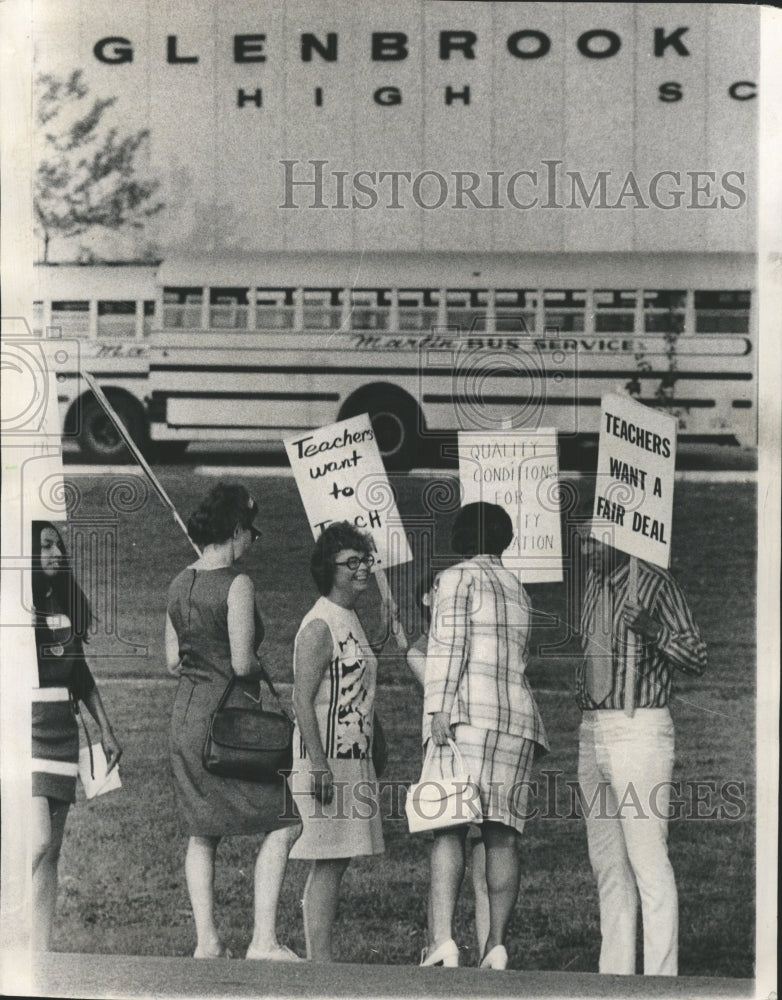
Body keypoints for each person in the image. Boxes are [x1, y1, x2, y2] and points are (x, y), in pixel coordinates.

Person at [165, 483, 301, 961]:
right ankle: (263, 940)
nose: (252, 543)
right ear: (237, 529)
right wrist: (259, 668)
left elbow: (171, 660)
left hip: (186, 717)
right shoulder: (238, 583)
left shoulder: (179, 583)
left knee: (203, 832)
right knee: (285, 822)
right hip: (229, 721)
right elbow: (243, 662)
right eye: (251, 534)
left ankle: (208, 942)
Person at [576, 524, 707, 976]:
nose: (585, 549)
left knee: (647, 859)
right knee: (608, 865)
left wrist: (652, 629)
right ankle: (615, 976)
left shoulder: (655, 582)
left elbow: (697, 657)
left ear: (621, 539)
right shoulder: (594, 585)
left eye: (594, 540)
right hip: (593, 728)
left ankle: (660, 978)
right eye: (582, 540)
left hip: (640, 728)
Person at [423, 502, 549, 970]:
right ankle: (495, 945)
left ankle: (443, 940)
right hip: (518, 723)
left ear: (461, 535)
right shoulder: (519, 589)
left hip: (466, 718)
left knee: (449, 828)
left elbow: (447, 646)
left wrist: (438, 709)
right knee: (502, 837)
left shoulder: (454, 578)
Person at [287, 522, 385, 962]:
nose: (363, 568)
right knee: (326, 859)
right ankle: (319, 964)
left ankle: (320, 959)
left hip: (352, 758)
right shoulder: (319, 625)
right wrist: (319, 767)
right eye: (353, 562)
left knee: (337, 859)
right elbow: (300, 700)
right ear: (329, 569)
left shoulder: (349, 618)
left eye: (366, 559)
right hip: (325, 762)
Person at [31, 520, 122, 952]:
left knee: (51, 853)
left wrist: (105, 728)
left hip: (63, 733)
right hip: (24, 733)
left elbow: (81, 675)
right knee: (36, 841)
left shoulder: (66, 603)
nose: (54, 553)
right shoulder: (14, 607)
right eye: (44, 546)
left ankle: (39, 950)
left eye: (57, 546)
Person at [405, 569, 490, 966]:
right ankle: (463, 944)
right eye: (437, 588)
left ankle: (456, 943)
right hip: (460, 740)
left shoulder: (449, 639)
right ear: (427, 599)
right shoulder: (430, 644)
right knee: (468, 836)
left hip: (455, 743)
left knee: (464, 838)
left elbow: (438, 681)